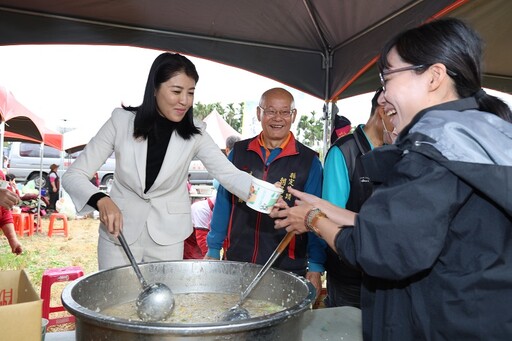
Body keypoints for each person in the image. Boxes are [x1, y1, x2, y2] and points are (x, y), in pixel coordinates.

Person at [271, 18, 512, 339]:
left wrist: (314, 219)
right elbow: (413, 229)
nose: (382, 98)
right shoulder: (478, 135)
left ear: (433, 76)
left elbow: (382, 249)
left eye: (387, 79)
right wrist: (323, 208)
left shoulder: (435, 147)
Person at [62, 52, 263, 270]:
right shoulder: (120, 122)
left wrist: (267, 198)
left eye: (191, 92)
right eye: (176, 91)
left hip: (168, 237)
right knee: (116, 302)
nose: (184, 101)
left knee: (161, 301)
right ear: (155, 89)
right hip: (119, 236)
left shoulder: (196, 133)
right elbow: (74, 175)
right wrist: (101, 199)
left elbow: (229, 175)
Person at [205, 87, 326, 298]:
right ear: (259, 113)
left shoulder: (309, 161)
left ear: (293, 116)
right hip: (238, 261)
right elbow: (224, 201)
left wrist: (315, 266)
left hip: (287, 264)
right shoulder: (240, 152)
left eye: (285, 112)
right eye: (270, 111)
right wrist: (214, 248)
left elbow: (314, 213)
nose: (277, 118)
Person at [321, 88, 386, 308]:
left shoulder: (396, 151)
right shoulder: (344, 151)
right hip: (349, 272)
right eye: (397, 115)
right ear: (382, 112)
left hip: (385, 272)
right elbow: (330, 216)